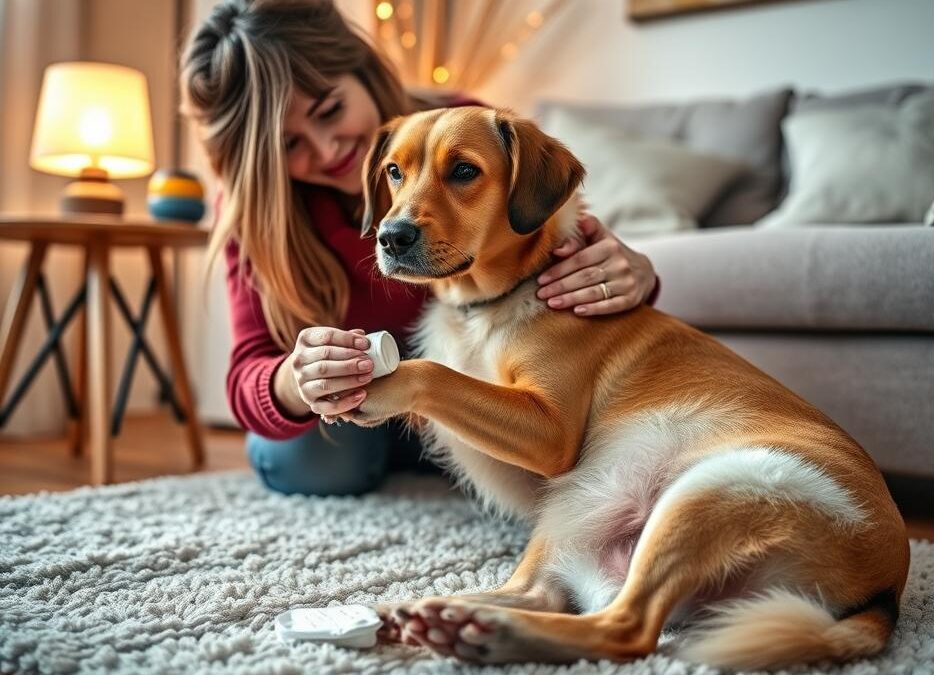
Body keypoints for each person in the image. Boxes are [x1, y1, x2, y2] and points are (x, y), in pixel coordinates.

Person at [179, 0, 661, 497]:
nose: (327, 148)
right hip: (351, 411)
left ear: (362, 71)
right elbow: (246, 374)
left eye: (331, 110)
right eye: (290, 145)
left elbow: (560, 282)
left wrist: (637, 274)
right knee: (310, 460)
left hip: (465, 389)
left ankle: (458, 449)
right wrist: (297, 377)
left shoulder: (463, 127)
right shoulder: (255, 214)